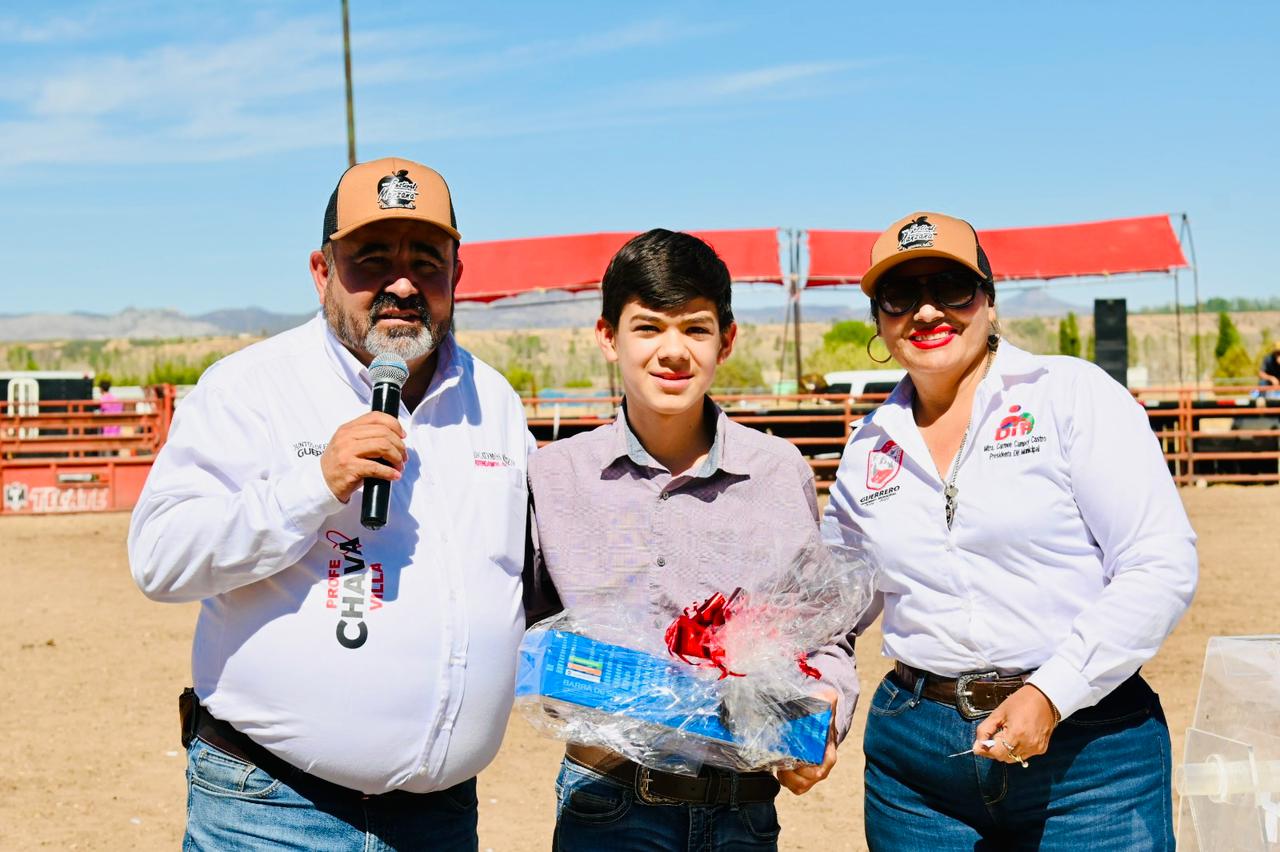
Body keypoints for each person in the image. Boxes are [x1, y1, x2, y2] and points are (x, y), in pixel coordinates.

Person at [128, 157, 532, 851]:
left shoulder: (493, 400)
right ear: (322, 272)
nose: (402, 284)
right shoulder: (250, 388)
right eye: (372, 259)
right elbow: (160, 558)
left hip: (440, 819)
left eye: (426, 262)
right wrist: (312, 487)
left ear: (457, 275)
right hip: (271, 815)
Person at [823, 212, 1198, 850]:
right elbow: (835, 600)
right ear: (879, 321)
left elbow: (1159, 563)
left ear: (989, 301)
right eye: (900, 295)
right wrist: (798, 683)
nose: (926, 311)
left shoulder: (1070, 395)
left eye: (951, 288)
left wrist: (1052, 692)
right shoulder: (868, 446)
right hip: (918, 765)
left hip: (1091, 755)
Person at [523, 229, 858, 851]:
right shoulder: (555, 477)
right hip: (606, 803)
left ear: (726, 341)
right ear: (608, 337)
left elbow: (822, 632)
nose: (673, 351)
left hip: (742, 809)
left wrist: (825, 703)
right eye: (648, 328)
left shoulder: (777, 471)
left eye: (696, 329)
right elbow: (522, 625)